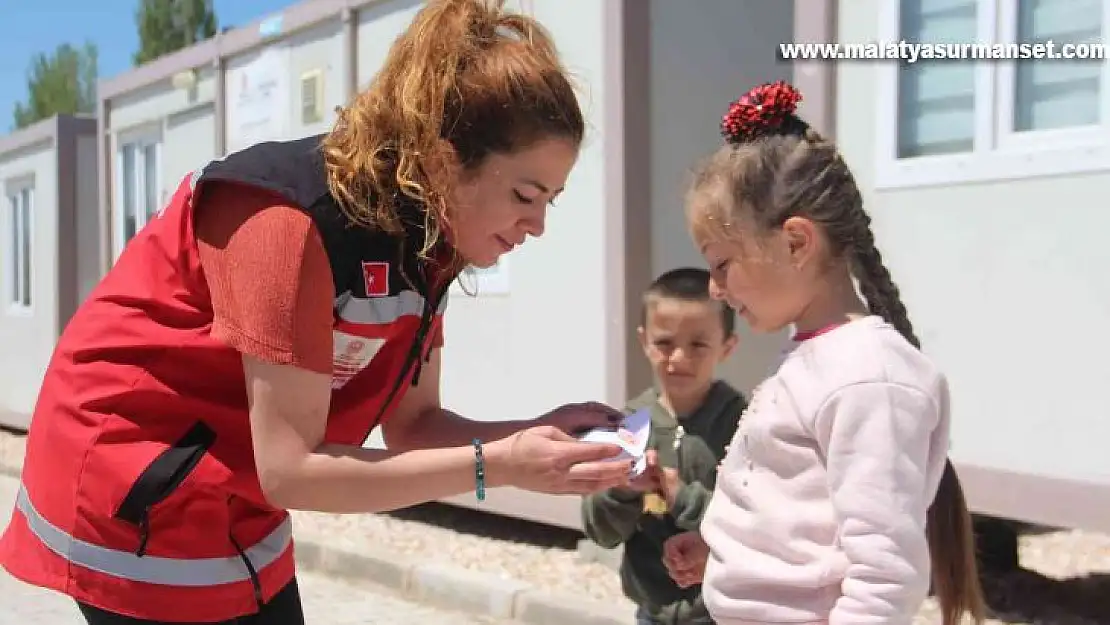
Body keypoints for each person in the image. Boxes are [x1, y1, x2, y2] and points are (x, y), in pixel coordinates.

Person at [0, 2, 634, 623]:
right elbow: (292, 472)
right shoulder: (287, 222)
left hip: (234, 488)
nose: (539, 225)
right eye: (525, 195)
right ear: (443, 163)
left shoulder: (429, 240)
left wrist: (538, 438)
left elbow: (414, 423)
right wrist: (495, 465)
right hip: (131, 485)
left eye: (550, 199)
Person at [660, 81, 985, 625]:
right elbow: (801, 516)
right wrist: (724, 550)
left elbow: (882, 578)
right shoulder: (817, 357)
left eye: (722, 265)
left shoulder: (868, 379)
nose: (716, 289)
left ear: (795, 242)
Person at [581, 267, 745, 625]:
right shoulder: (628, 425)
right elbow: (600, 531)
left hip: (724, 611)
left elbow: (755, 526)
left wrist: (681, 496)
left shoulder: (743, 426)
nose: (679, 358)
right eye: (665, 343)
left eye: (698, 344)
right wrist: (622, 491)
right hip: (651, 612)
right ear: (644, 341)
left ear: (727, 347)